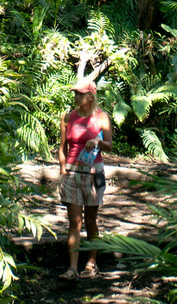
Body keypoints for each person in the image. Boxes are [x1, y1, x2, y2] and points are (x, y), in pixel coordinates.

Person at [58, 77, 112, 281]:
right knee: (74, 222)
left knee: (90, 220)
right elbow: (62, 147)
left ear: (91, 96)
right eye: (75, 93)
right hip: (72, 173)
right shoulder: (67, 117)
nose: (76, 96)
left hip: (93, 172)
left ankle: (91, 263)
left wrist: (97, 141)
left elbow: (109, 145)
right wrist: (62, 171)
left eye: (80, 93)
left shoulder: (101, 117)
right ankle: (72, 268)